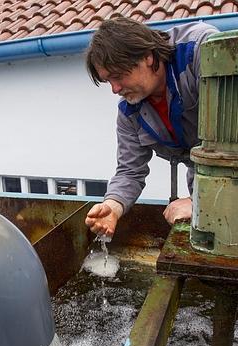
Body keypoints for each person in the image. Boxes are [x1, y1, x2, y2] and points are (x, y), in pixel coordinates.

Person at [84, 15, 218, 238]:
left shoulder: (200, 52)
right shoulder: (129, 112)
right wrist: (113, 207)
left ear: (147, 56)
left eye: (117, 76)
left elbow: (236, 146)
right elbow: (130, 171)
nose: (115, 89)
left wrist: (200, 204)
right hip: (204, 183)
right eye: (108, 81)